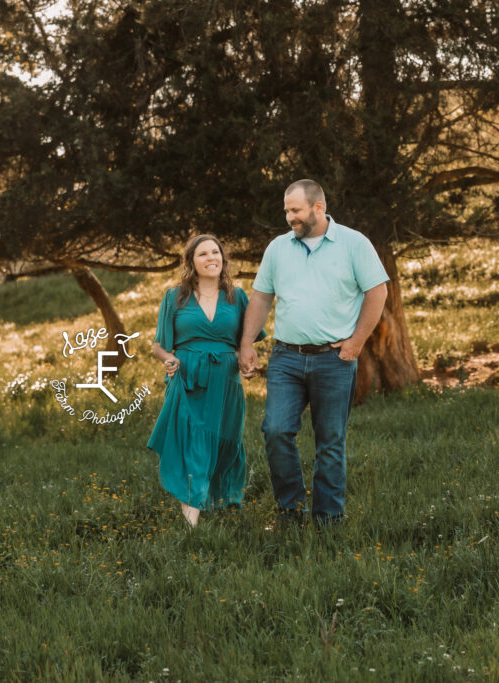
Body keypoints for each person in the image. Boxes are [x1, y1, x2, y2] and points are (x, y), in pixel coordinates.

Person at [238, 179, 388, 527]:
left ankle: (328, 518)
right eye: (286, 210)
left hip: (333, 359)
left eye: (295, 210)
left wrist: (356, 343)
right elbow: (261, 297)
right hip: (286, 357)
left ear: (318, 208)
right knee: (275, 430)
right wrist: (247, 344)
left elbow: (377, 292)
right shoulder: (278, 248)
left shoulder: (353, 243)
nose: (289, 216)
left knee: (330, 440)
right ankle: (290, 512)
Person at [148, 234, 265, 527]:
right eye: (203, 254)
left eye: (216, 252)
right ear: (191, 262)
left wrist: (247, 365)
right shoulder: (174, 298)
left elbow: (245, 345)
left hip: (226, 384)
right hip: (188, 381)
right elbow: (159, 346)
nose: (211, 258)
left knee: (226, 444)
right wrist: (168, 359)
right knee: (193, 444)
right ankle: (191, 526)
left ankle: (221, 508)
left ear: (223, 259)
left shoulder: (237, 297)